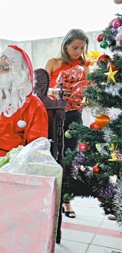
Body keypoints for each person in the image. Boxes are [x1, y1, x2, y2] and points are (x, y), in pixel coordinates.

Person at [45, 28, 90, 219]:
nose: (78, 52)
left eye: (81, 48)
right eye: (75, 47)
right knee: (50, 154)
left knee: (70, 157)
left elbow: (88, 91)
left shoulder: (85, 66)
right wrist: (55, 91)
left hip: (74, 115)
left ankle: (66, 200)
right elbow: (40, 87)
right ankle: (47, 199)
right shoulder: (53, 63)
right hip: (53, 114)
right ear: (65, 45)